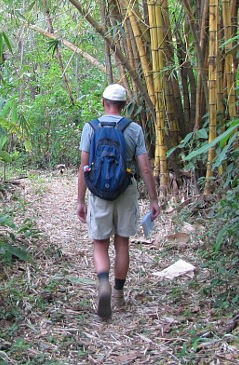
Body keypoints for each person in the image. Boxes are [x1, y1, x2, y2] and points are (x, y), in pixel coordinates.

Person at [77, 83, 161, 319]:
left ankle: (103, 284)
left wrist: (80, 200)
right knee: (122, 243)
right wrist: (153, 199)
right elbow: (144, 167)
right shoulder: (133, 129)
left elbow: (83, 166)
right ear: (125, 105)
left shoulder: (90, 128)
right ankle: (118, 295)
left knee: (100, 243)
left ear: (104, 103)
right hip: (126, 190)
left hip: (99, 193)